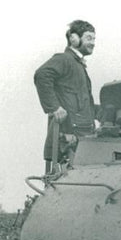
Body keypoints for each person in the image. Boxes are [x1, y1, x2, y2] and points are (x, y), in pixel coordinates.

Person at [34, 19, 98, 173]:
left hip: (82, 139)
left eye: (94, 39)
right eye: (89, 38)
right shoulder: (65, 60)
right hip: (68, 140)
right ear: (74, 39)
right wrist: (54, 107)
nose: (93, 43)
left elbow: (83, 104)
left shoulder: (77, 65)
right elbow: (42, 75)